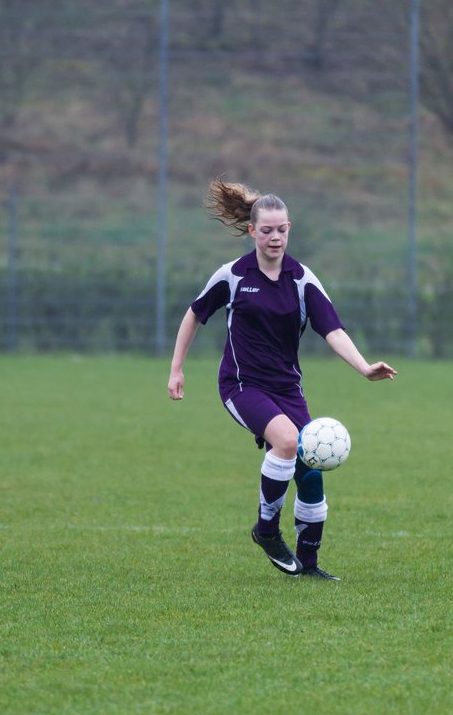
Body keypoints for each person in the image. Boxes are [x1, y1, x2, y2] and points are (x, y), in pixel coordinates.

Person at [167, 179, 397, 580]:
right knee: (288, 442)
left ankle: (309, 566)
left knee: (310, 471)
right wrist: (176, 369)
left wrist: (363, 367)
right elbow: (194, 315)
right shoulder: (233, 275)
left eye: (282, 229)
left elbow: (333, 330)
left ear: (290, 229)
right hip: (242, 385)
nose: (275, 237)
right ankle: (267, 530)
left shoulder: (302, 279)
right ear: (253, 231)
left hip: (288, 388)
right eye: (267, 230)